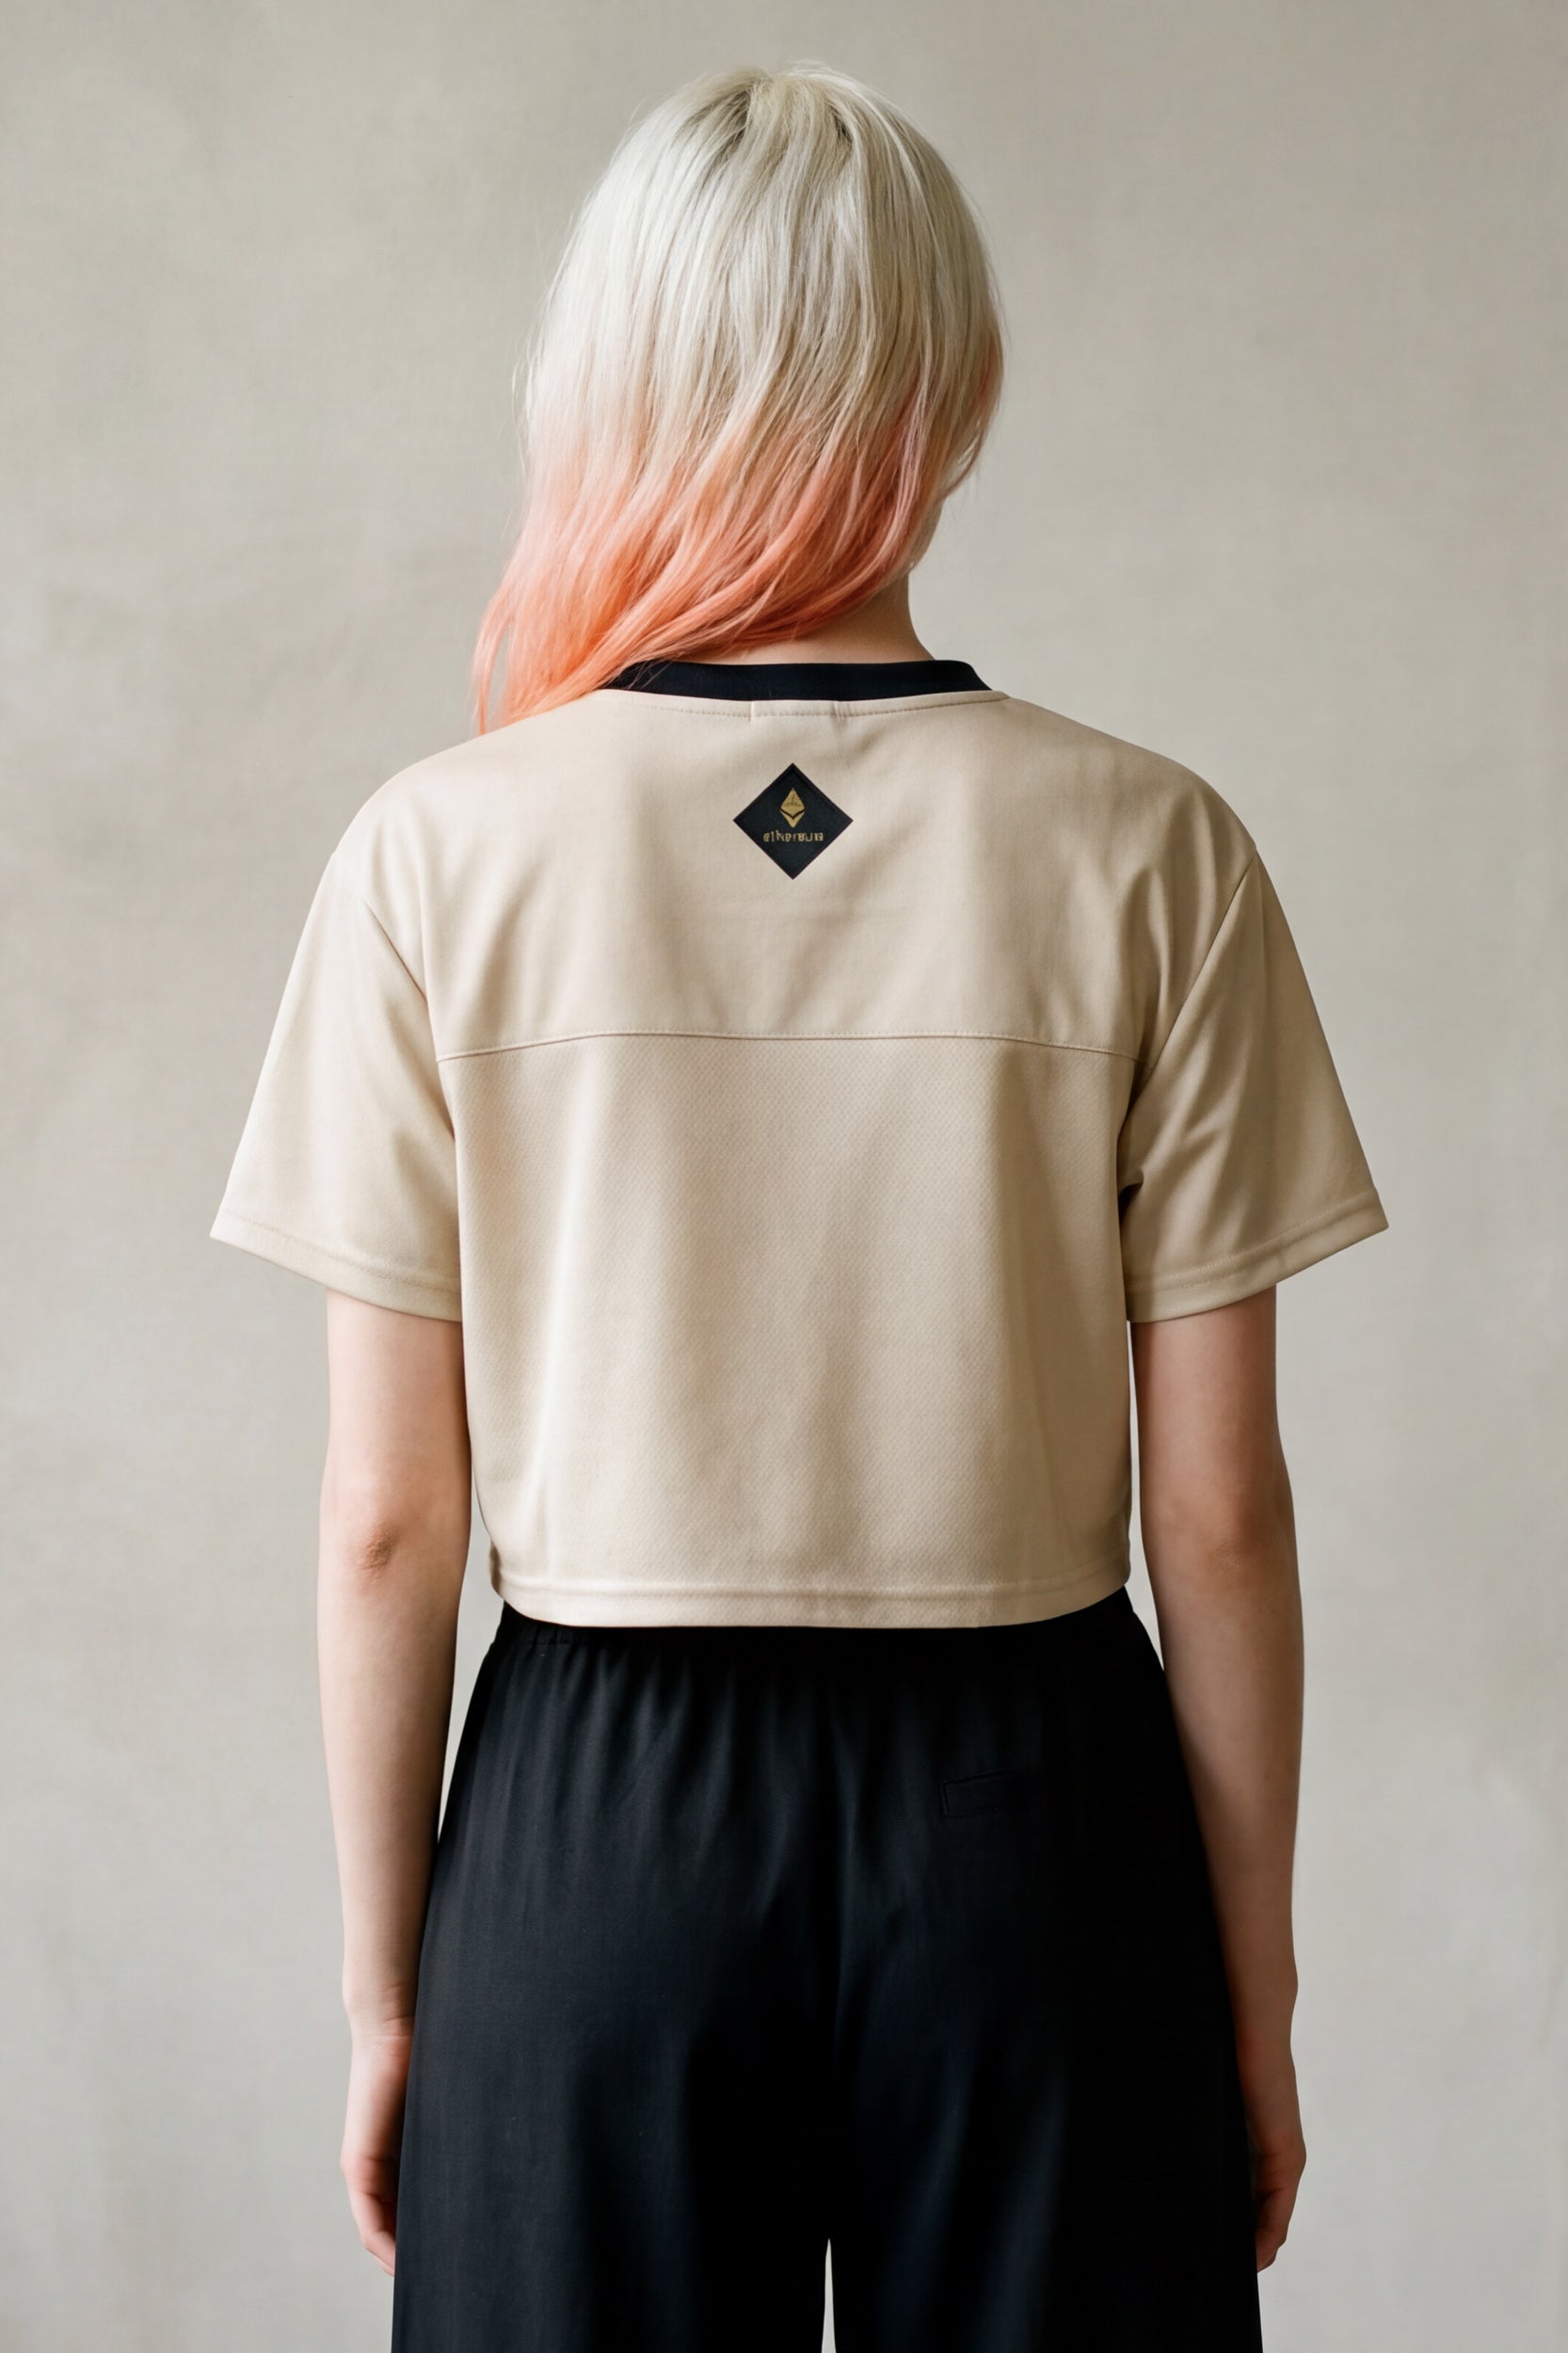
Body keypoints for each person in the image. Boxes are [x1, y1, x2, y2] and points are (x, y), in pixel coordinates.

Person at [210, 62, 1387, 2353]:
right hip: (1036, 1817)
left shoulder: (438, 853)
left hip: (593, 1820)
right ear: (947, 387)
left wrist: (389, 1989)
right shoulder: (1149, 846)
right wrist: (1248, 1988)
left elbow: (387, 1517)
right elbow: (1218, 1512)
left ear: (613, 379)